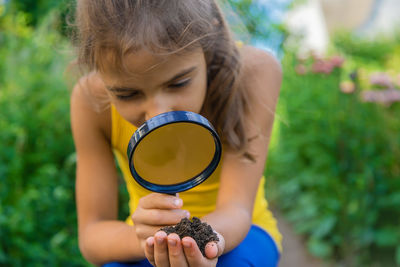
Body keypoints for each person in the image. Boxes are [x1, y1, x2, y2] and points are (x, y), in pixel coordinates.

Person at [70, 0, 282, 266]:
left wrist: (198, 241)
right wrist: (148, 240)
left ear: (209, 41)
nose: (157, 115)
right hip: (144, 243)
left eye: (178, 83)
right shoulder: (91, 101)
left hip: (242, 233)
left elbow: (236, 210)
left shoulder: (252, 73)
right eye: (127, 94)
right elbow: (92, 234)